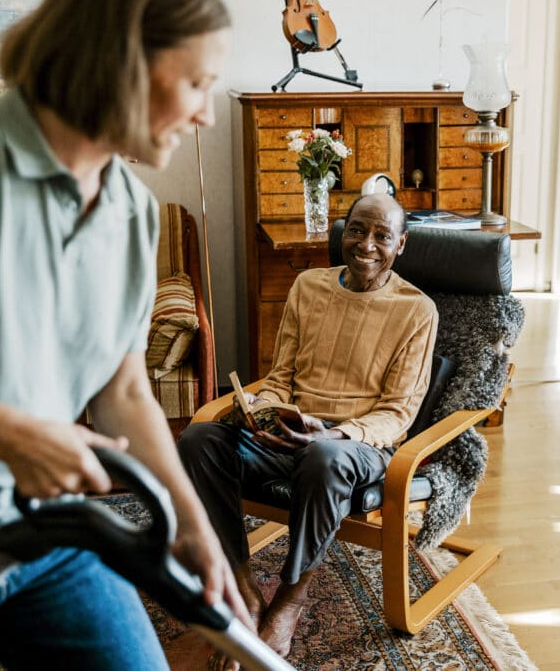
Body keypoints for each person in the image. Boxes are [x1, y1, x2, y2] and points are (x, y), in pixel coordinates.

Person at [0, 0, 250, 669]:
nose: (206, 114)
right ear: (123, 62)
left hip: (47, 528)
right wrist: (13, 433)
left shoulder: (130, 213)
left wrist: (195, 525)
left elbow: (123, 389)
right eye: (197, 83)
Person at [178, 193, 439, 664]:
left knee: (323, 457)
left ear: (400, 244)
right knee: (199, 439)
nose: (366, 245)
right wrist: (262, 407)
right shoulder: (308, 286)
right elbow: (280, 377)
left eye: (382, 236)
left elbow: (397, 413)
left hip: (357, 444)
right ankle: (242, 588)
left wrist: (333, 434)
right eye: (357, 230)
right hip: (291, 430)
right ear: (343, 232)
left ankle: (289, 600)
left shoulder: (417, 310)